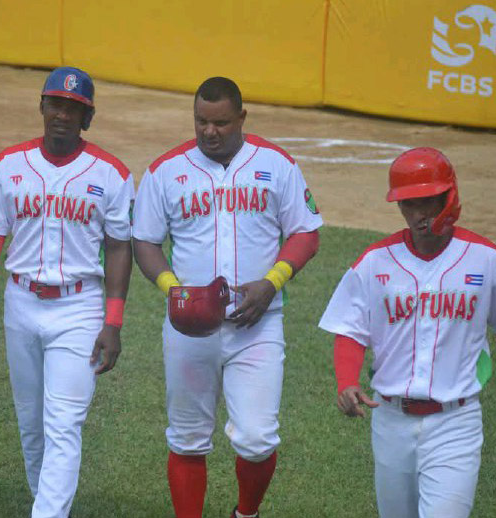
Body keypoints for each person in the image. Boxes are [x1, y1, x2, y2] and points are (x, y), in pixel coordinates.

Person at [132, 76, 322, 518]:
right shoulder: (166, 171)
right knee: (187, 437)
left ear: (241, 118)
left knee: (256, 439)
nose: (208, 132)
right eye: (200, 121)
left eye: (219, 123)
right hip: (188, 328)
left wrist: (272, 281)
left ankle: (246, 514)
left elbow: (305, 232)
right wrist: (173, 290)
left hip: (258, 325)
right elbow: (145, 241)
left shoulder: (277, 164)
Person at [0, 66, 134, 518]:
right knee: (32, 427)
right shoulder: (7, 165)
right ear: (41, 107)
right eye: (55, 104)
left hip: (79, 308)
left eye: (74, 109)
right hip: (20, 305)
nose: (62, 115)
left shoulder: (111, 174)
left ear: (87, 118)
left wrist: (113, 322)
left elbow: (118, 247)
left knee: (63, 424)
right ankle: (49, 506)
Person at [318, 147, 496, 517]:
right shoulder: (374, 262)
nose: (420, 215)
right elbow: (350, 331)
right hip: (390, 421)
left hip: (455, 424)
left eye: (429, 202)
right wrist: (345, 380)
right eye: (409, 205)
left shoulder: (488, 260)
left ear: (450, 197)